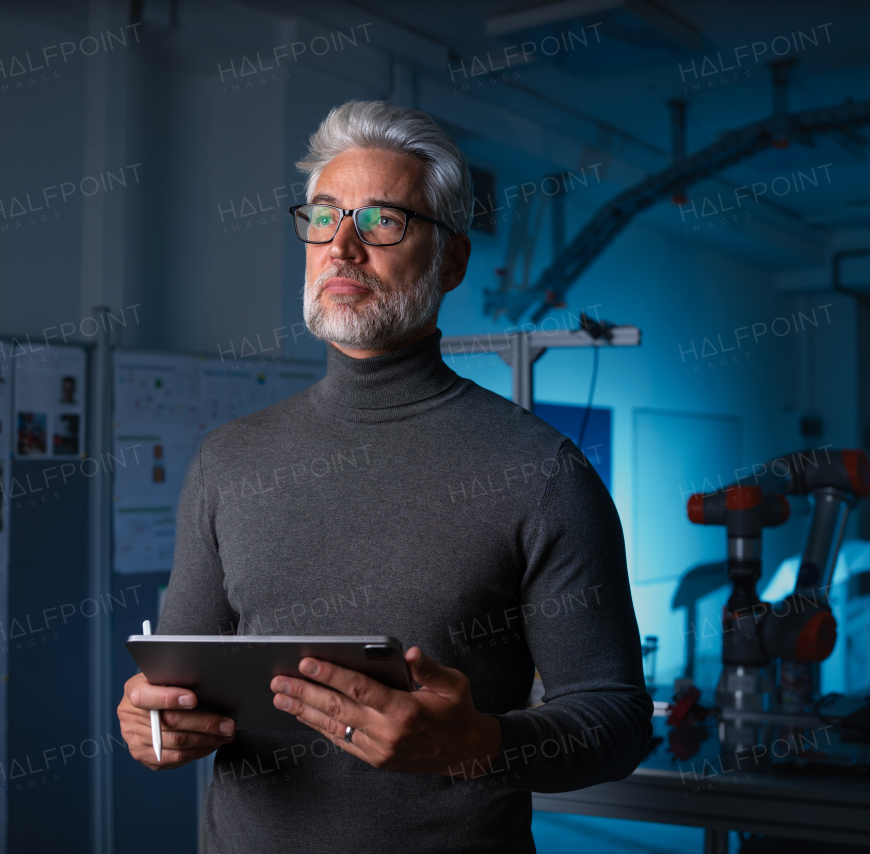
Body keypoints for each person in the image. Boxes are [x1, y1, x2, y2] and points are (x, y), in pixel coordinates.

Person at [116, 99, 651, 853]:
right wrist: (153, 720)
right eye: (324, 216)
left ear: (452, 261)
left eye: (382, 223)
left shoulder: (541, 472)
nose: (342, 247)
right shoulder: (228, 460)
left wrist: (481, 745)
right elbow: (178, 686)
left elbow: (617, 719)